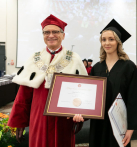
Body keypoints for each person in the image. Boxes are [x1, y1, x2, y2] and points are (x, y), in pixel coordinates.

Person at [8, 14, 87, 147]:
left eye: (55, 31)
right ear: (43, 35)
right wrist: (19, 123)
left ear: (63, 35)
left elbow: (83, 91)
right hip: (39, 118)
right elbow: (24, 94)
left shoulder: (74, 59)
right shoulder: (34, 58)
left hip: (64, 119)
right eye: (47, 32)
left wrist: (80, 118)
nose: (51, 35)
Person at [74, 19, 137, 147]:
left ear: (118, 42)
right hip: (99, 123)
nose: (107, 43)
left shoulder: (128, 66)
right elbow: (89, 96)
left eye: (111, 39)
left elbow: (133, 98)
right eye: (104, 39)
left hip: (120, 123)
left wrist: (131, 128)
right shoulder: (97, 68)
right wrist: (81, 111)